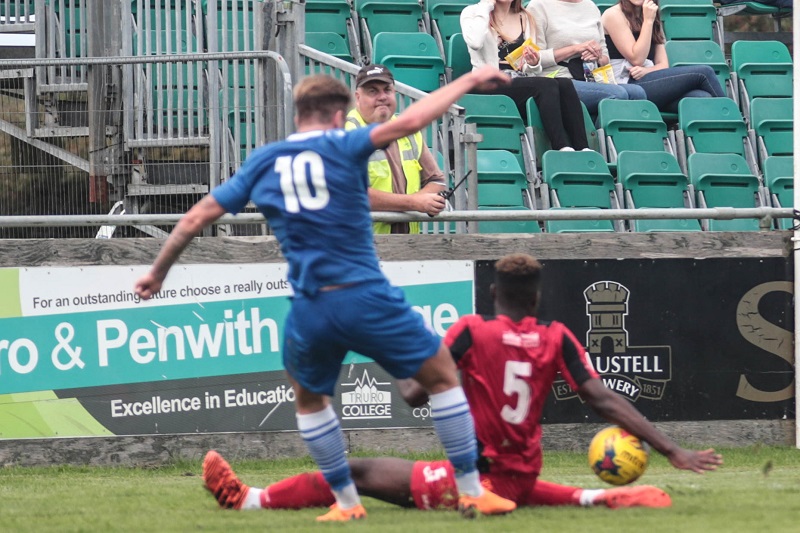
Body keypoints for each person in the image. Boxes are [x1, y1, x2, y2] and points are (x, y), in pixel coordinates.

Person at [134, 67, 517, 522]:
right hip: (364, 293)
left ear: (299, 114)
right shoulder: (344, 143)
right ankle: (472, 491)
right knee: (440, 376)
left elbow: (198, 216)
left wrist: (158, 272)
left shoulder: (265, 159)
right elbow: (412, 121)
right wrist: (468, 82)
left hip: (310, 306)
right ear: (341, 114)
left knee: (311, 401)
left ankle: (348, 504)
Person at [202, 253, 723, 513]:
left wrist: (393, 348)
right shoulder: (557, 335)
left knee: (354, 471)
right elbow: (602, 397)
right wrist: (671, 448)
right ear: (536, 299)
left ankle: (247, 499)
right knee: (511, 487)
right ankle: (598, 498)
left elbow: (410, 393)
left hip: (480, 478)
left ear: (494, 291)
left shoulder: (471, 331)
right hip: (518, 472)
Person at [461, 0, 590, 151]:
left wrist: (533, 62)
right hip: (486, 83)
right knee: (546, 84)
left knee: (564, 84)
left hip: (517, 81)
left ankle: (583, 148)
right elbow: (474, 42)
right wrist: (486, 5)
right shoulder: (472, 13)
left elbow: (529, 68)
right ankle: (561, 146)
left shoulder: (524, 17)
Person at [346, 64, 448, 234]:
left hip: (407, 246)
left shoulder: (408, 129)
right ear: (357, 97)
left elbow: (437, 181)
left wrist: (426, 201)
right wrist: (414, 203)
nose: (382, 97)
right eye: (373, 91)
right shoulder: (345, 133)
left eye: (387, 90)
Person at [602, 0, 726, 113]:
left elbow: (663, 64)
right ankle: (730, 116)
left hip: (649, 82)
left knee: (701, 97)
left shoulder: (650, 14)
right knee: (704, 73)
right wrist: (648, 22)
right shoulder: (614, 15)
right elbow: (636, 58)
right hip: (626, 85)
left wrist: (647, 71)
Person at [527, 0, 647, 115]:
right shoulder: (538, 6)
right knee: (618, 94)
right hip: (559, 79)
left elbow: (605, 58)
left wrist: (597, 56)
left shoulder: (590, 6)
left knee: (637, 93)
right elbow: (534, 59)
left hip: (592, 78)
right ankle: (596, 134)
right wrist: (575, 49)